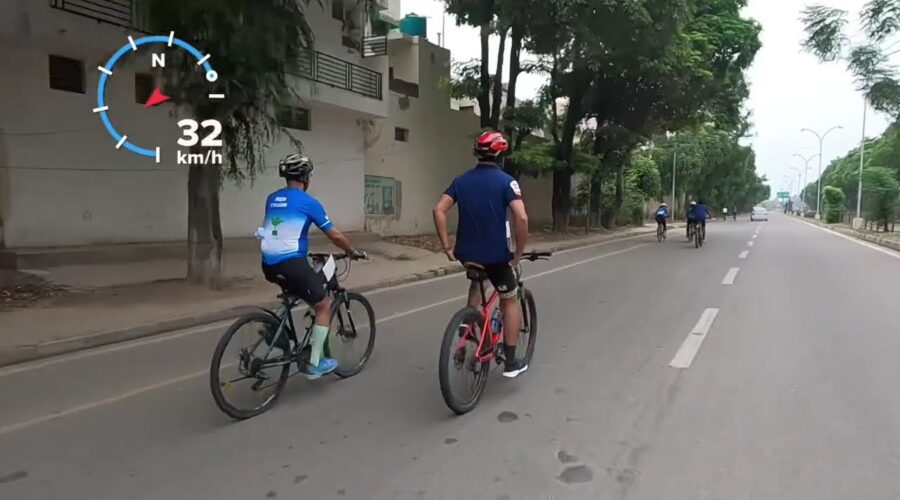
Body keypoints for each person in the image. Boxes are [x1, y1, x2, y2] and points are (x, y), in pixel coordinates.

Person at [256, 153, 365, 379]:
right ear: (305, 177)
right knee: (323, 304)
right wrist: (351, 251)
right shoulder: (309, 202)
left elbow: (280, 231)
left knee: (299, 288)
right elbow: (334, 235)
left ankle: (274, 329)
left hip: (268, 264)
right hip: (291, 263)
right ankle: (315, 363)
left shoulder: (271, 198)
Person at [432, 131, 530, 378]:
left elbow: (438, 209)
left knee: (477, 284)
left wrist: (447, 246)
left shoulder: (461, 181)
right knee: (509, 300)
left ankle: (467, 331)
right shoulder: (507, 182)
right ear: (500, 155)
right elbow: (521, 217)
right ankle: (511, 363)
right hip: (497, 256)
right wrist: (518, 253)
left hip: (467, 254)